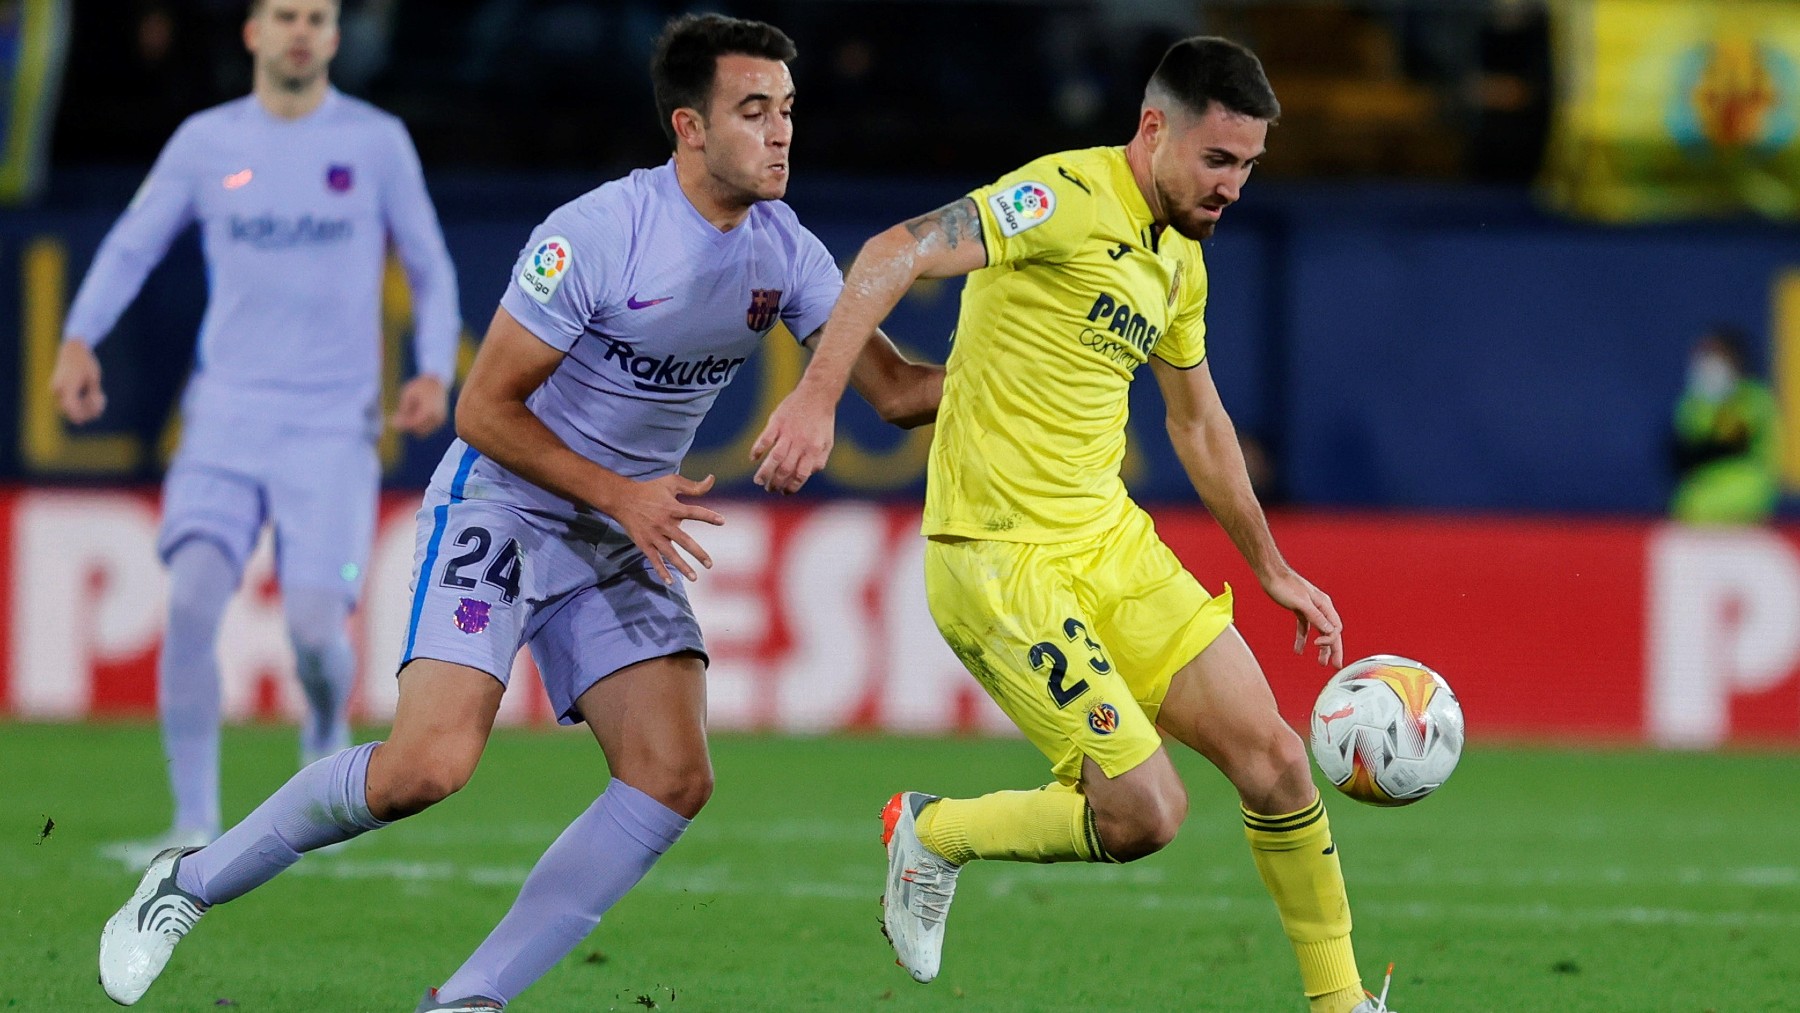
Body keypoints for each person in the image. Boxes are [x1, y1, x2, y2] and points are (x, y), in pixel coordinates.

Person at [97, 13, 942, 1011]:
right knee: (428, 765)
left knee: (670, 772)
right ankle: (184, 882)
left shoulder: (784, 251)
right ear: (689, 128)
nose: (781, 133)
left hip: (619, 530)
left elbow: (895, 391)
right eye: (753, 111)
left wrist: (1038, 375)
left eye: (788, 111)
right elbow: (482, 408)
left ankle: (467, 999)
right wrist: (622, 489)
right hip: (507, 505)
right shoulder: (596, 236)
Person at [752, 36, 1394, 1013]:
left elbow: (1199, 422)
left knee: (1274, 758)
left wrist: (1272, 564)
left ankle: (1342, 1001)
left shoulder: (1179, 258)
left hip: (1109, 543)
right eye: (1216, 161)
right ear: (1153, 129)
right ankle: (934, 831)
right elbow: (897, 249)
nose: (1231, 188)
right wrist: (814, 399)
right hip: (1001, 559)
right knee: (1145, 812)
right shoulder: (1060, 197)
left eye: (1248, 168)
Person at [52, 0, 459, 856]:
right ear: (254, 33)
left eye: (316, 16)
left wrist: (432, 367)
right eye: (284, 15)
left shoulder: (376, 140)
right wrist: (80, 338)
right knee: (195, 600)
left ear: (335, 38)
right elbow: (131, 245)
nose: (301, 30)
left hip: (331, 425)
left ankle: (322, 737)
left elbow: (426, 262)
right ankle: (194, 820)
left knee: (316, 630)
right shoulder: (206, 142)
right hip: (226, 416)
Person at [1670, 325, 1781, 525]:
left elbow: (1732, 441)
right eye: (1705, 355)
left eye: (1717, 355)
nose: (1709, 363)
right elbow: (1684, 457)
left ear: (1736, 360)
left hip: (1744, 506)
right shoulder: (1692, 404)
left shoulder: (1755, 399)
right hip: (1696, 508)